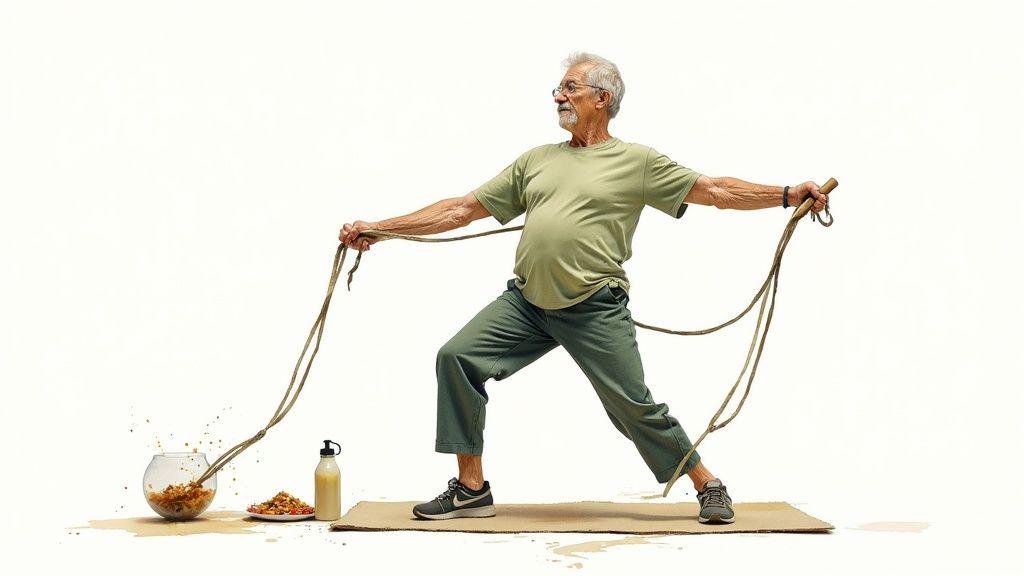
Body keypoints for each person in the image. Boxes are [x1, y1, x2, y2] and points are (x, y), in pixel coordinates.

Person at [340, 52, 826, 524]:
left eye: (570, 88)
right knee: (457, 357)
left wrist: (785, 195)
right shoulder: (535, 160)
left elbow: (715, 191)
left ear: (603, 97)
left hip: (594, 305)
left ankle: (707, 483)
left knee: (632, 407)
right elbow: (461, 209)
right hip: (527, 302)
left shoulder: (636, 161)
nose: (558, 96)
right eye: (558, 88)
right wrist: (382, 228)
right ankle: (471, 489)